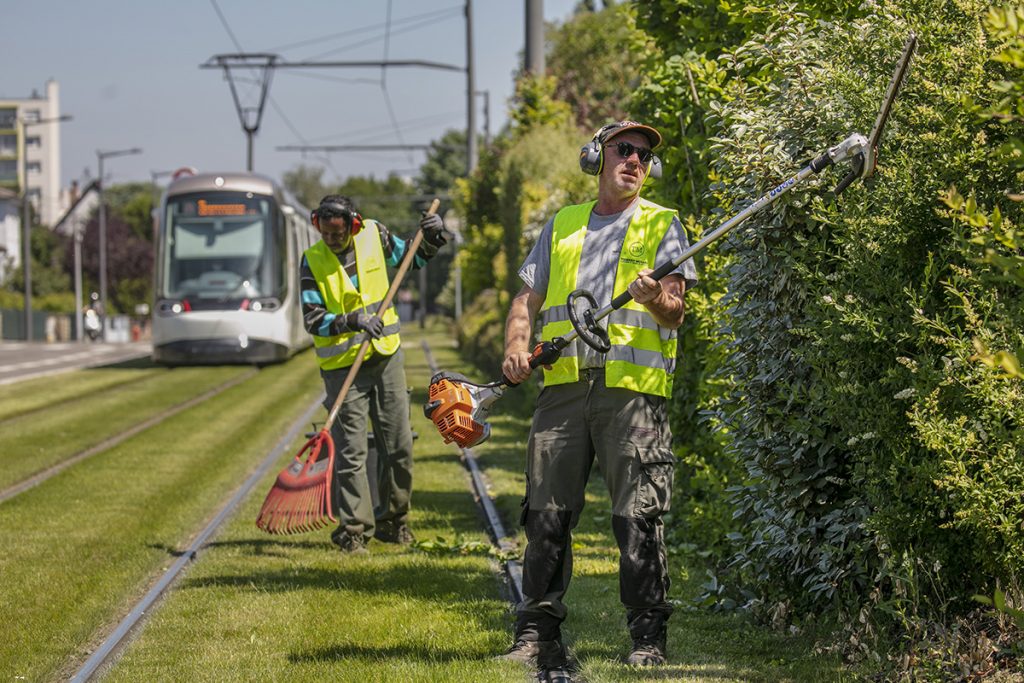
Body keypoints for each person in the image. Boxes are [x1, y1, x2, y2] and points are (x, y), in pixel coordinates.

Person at [500, 121, 698, 668]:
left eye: (644, 155)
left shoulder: (664, 225)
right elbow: (527, 299)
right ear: (597, 157)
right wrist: (517, 346)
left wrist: (657, 295)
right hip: (562, 389)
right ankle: (536, 634)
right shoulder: (562, 225)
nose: (635, 160)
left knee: (638, 515)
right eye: (624, 149)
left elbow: (676, 313)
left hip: (631, 395)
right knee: (545, 514)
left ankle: (648, 641)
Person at [301, 195, 447, 555]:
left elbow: (415, 258)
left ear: (353, 225)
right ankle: (353, 531)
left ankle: (393, 521)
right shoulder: (312, 261)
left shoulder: (375, 236)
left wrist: (433, 236)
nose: (332, 241)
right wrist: (351, 321)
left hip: (385, 357)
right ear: (317, 225)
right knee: (351, 453)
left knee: (398, 445)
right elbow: (311, 318)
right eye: (325, 233)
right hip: (341, 369)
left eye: (338, 234)